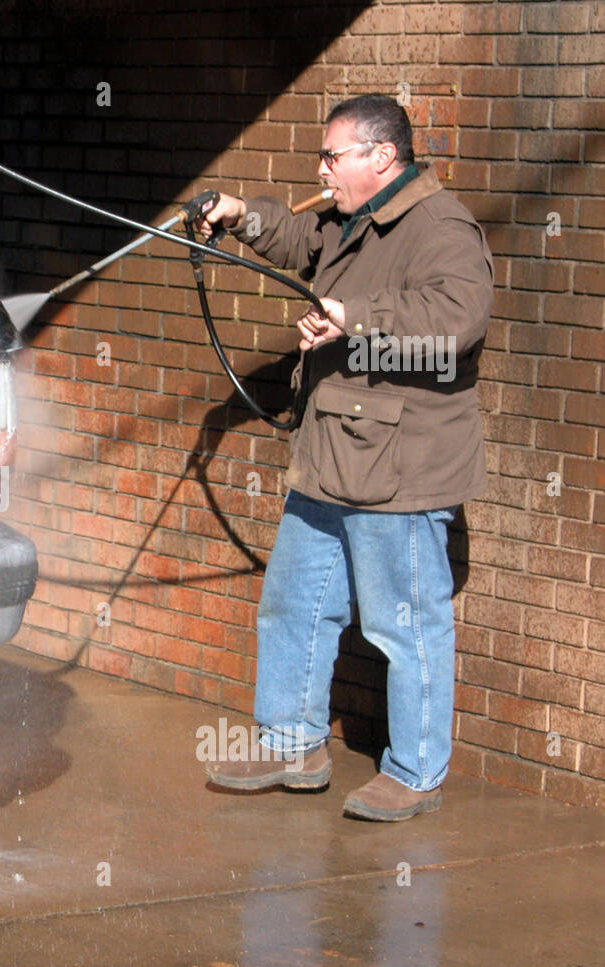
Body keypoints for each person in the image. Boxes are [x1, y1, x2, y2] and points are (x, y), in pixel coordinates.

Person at [195, 94, 493, 821]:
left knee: (404, 624)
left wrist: (353, 320)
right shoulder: (349, 218)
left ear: (381, 156)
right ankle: (293, 743)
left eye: (334, 156)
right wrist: (241, 214)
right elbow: (300, 242)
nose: (322, 170)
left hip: (401, 466)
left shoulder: (440, 225)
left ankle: (416, 774)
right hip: (329, 454)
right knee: (294, 605)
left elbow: (455, 324)